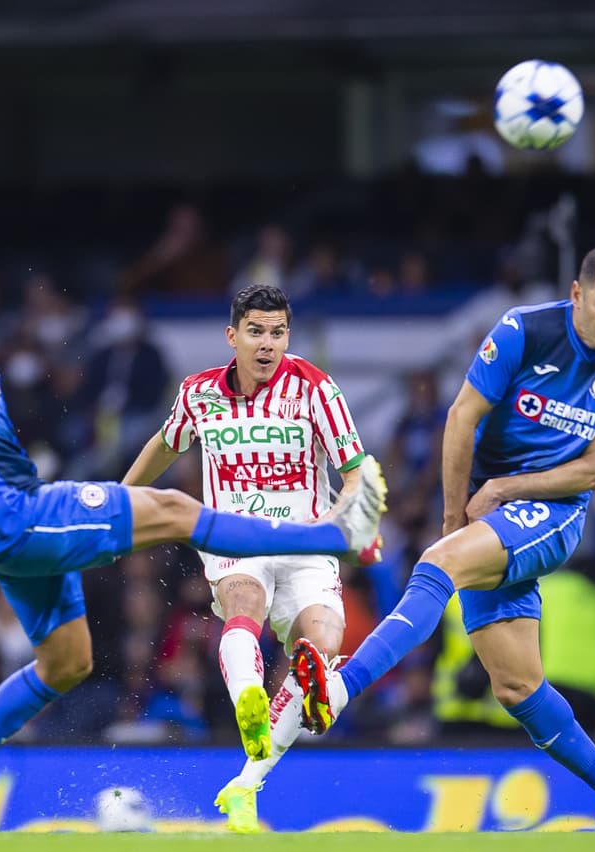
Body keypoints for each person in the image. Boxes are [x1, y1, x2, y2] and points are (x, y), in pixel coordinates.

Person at [0, 207, 387, 831]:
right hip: (15, 516)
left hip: (5, 522)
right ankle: (333, 535)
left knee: (68, 662)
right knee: (177, 510)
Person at [290, 246, 595, 832]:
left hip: (553, 514)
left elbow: (594, 470)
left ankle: (339, 690)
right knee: (518, 688)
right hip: (486, 512)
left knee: (436, 568)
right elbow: (462, 416)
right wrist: (453, 519)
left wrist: (503, 489)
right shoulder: (524, 331)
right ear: (577, 295)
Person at [121, 284, 370, 833]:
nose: (267, 344)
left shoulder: (315, 389)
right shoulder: (198, 393)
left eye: (277, 332)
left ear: (288, 336)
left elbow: (354, 469)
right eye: (256, 332)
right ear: (232, 336)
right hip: (237, 537)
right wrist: (123, 498)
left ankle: (246, 783)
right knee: (244, 602)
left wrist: (355, 516)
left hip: (307, 543)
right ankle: (250, 699)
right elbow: (166, 443)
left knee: (322, 646)